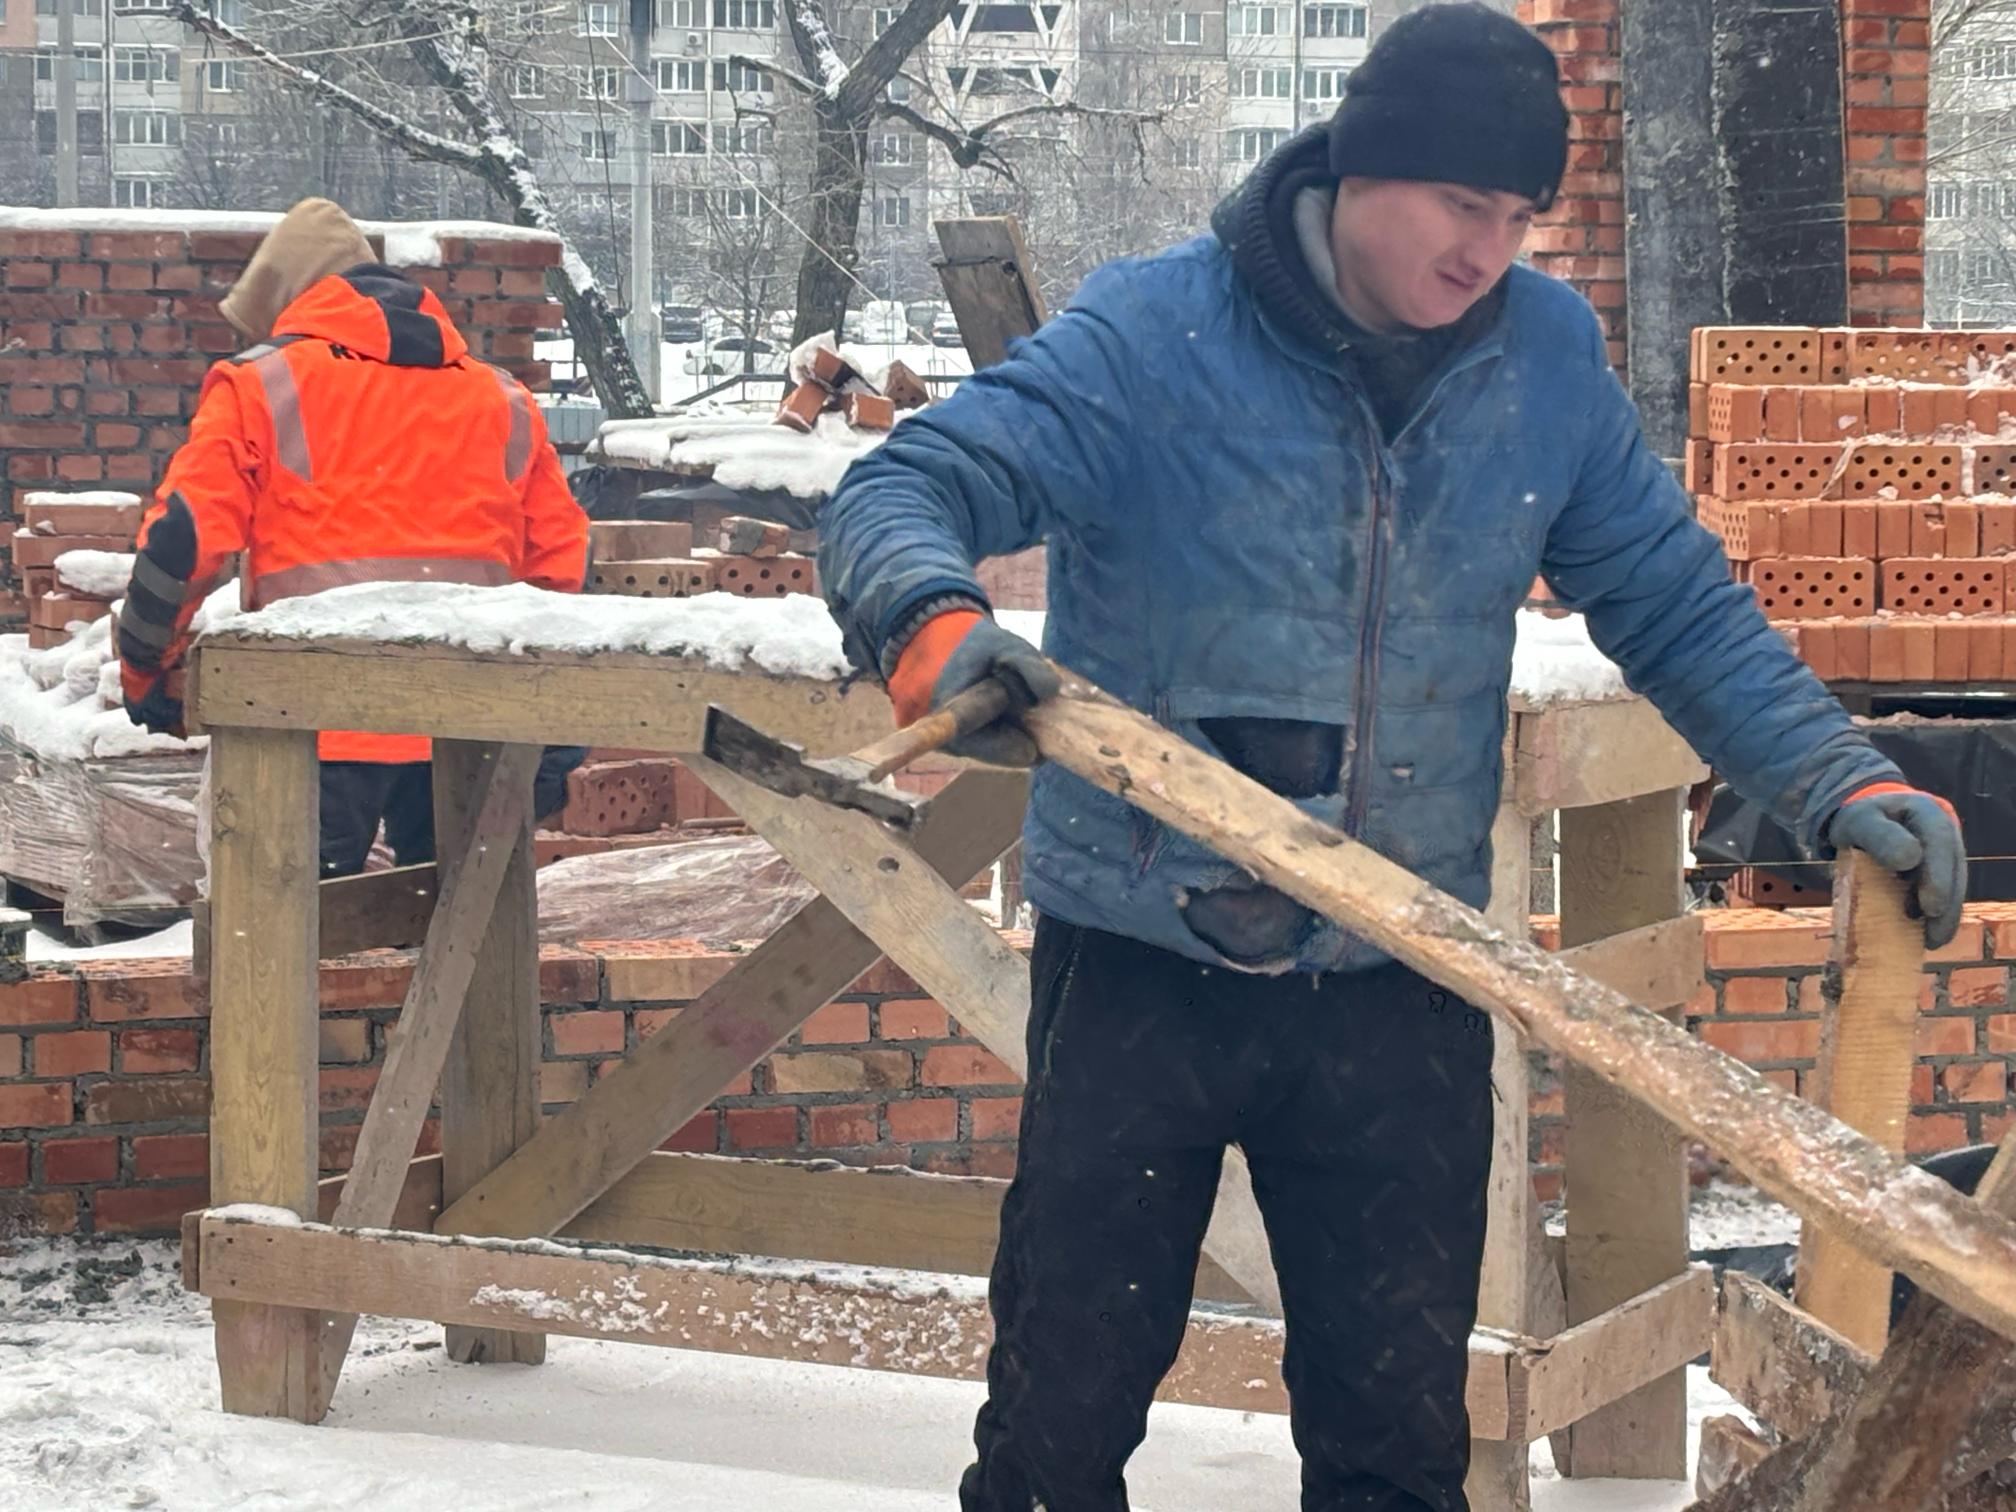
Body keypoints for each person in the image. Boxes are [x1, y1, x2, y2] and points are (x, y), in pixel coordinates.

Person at [816, 5, 1966, 1508]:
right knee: (1059, 1422)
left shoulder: (1542, 362)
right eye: (1460, 203)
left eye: (1517, 217)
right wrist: (929, 619)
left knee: (1398, 1446)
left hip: (1397, 971)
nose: (1489, 250)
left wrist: (1835, 775)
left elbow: (1675, 602)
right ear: (1358, 169)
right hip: (1144, 967)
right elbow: (909, 485)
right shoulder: (1156, 335)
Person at [115, 198, 590, 877]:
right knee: (462, 928)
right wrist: (548, 709)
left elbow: (183, 541)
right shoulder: (501, 395)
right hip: (470, 718)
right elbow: (559, 564)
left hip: (313, 718)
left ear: (291, 304)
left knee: (293, 927)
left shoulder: (262, 382)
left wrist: (144, 669)